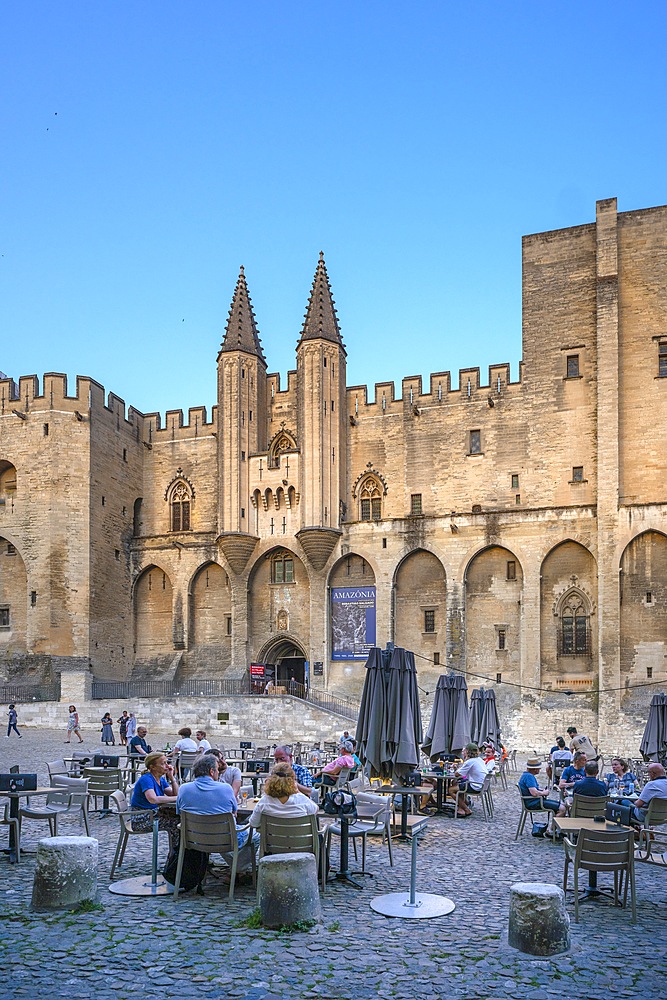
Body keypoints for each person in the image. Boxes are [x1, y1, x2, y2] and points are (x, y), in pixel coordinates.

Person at [177, 755, 259, 864]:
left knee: (223, 829)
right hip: (224, 838)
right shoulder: (225, 788)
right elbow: (234, 813)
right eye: (217, 770)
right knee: (257, 834)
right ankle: (239, 868)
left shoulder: (183, 789)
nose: (218, 772)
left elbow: (179, 813)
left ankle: (236, 867)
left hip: (194, 839)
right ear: (212, 771)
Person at [249, 762, 319, 828]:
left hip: (272, 840)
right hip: (300, 840)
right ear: (292, 780)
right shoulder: (301, 800)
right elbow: (315, 809)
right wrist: (298, 791)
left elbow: (253, 824)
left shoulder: (264, 801)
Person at [130, 751, 179, 834]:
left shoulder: (161, 779)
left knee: (180, 817)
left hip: (152, 814)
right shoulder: (146, 779)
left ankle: (183, 846)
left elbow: (174, 794)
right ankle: (178, 846)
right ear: (152, 767)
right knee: (176, 822)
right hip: (141, 818)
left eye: (167, 762)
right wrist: (177, 798)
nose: (167, 766)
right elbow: (153, 799)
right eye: (163, 764)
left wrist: (172, 778)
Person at [518, 756, 565, 833]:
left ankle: (555, 829)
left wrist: (541, 791)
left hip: (534, 801)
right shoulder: (529, 777)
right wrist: (544, 793)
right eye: (539, 768)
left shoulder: (526, 775)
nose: (540, 770)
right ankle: (551, 831)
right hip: (534, 802)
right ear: (535, 769)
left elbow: (533, 790)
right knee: (562, 808)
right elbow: (534, 793)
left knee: (562, 805)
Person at [450, 743, 488, 817]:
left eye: (463, 751)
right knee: (458, 783)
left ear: (467, 752)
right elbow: (463, 774)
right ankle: (462, 807)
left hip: (475, 786)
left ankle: (466, 809)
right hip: (482, 785)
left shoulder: (470, 761)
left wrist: (455, 768)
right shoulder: (479, 759)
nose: (462, 752)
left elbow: (457, 774)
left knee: (451, 790)